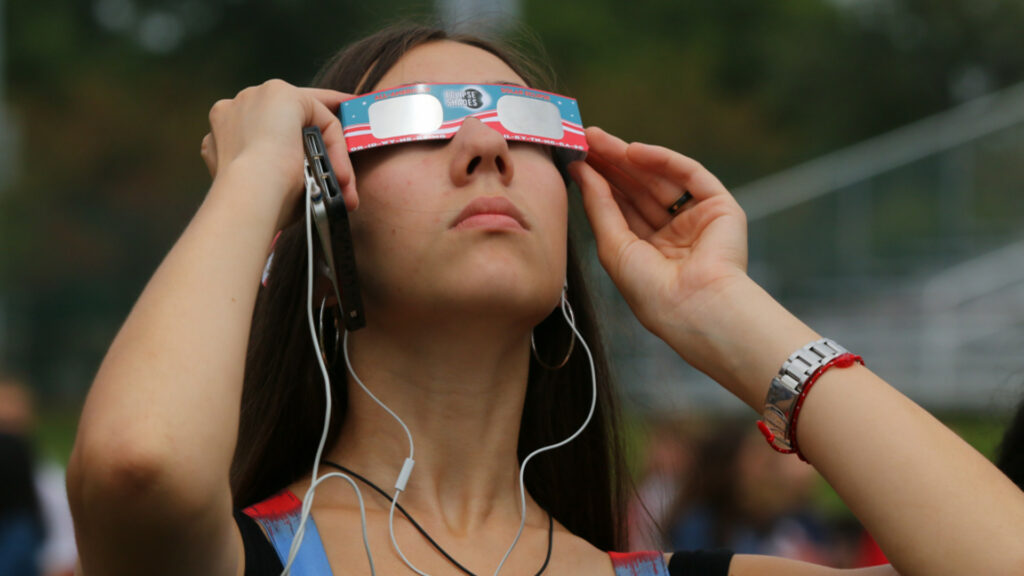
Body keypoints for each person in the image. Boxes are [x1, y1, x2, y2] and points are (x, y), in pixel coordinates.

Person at [66, 21, 1024, 576]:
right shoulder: (236, 556)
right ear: (319, 215)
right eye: (409, 125)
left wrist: (721, 310)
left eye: (528, 126)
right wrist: (251, 179)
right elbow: (137, 464)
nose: (487, 148)